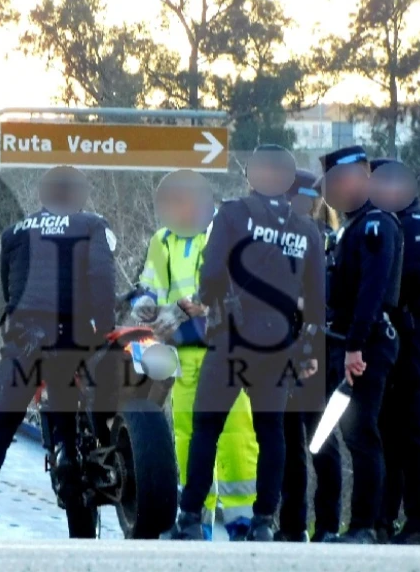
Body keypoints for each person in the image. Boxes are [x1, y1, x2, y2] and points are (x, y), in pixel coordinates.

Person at [170, 145, 325, 542]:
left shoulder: (235, 213)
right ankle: (264, 522)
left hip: (232, 339)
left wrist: (213, 301)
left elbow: (211, 272)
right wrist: (308, 351)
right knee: (271, 431)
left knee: (207, 428)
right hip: (279, 345)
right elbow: (316, 299)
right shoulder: (307, 231)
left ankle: (189, 517)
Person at [0, 165, 118, 539]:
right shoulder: (92, 225)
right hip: (70, 339)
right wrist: (104, 331)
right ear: (79, 196)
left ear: (42, 196)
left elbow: (8, 289)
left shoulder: (14, 232)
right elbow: (101, 280)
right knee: (74, 405)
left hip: (23, 343)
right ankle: (67, 454)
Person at [130, 169, 259, 540]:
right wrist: (146, 305)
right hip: (185, 350)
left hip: (226, 346)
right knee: (186, 435)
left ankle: (242, 522)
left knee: (236, 433)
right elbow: (151, 284)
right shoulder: (162, 240)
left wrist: (200, 307)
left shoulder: (226, 232)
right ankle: (195, 519)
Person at [316, 145, 404, 544]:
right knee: (342, 433)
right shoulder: (347, 227)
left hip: (364, 344)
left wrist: (354, 347)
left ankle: (365, 526)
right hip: (341, 342)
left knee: (361, 434)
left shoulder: (376, 224)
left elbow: (371, 291)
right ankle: (342, 525)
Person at [370, 158, 420, 545]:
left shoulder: (416, 225)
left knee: (412, 433)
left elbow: (418, 278)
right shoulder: (389, 225)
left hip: (411, 332)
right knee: (387, 434)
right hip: (391, 334)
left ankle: (419, 523)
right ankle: (383, 520)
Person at [276, 170, 344, 543]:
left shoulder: (323, 239)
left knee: (319, 440)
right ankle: (294, 524)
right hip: (286, 346)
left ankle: (326, 525)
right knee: (292, 441)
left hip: (315, 347)